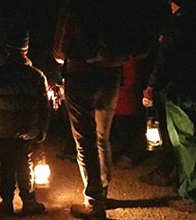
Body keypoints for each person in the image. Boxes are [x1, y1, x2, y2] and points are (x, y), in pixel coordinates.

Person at [52, 0, 159, 219]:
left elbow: (59, 51)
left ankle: (94, 202)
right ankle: (102, 193)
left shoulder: (74, 8)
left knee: (85, 140)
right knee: (102, 137)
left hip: (80, 76)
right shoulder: (116, 7)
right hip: (110, 78)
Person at [0, 27, 50, 216]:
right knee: (25, 163)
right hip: (27, 128)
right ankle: (28, 201)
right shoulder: (37, 75)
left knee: (6, 163)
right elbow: (44, 106)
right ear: (26, 51)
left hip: (3, 128)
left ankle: (6, 202)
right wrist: (42, 128)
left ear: (7, 50)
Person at [142, 0, 196, 213]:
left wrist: (152, 86)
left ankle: (191, 195)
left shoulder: (178, 23)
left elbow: (165, 58)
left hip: (182, 90)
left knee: (185, 142)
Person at [110, 57, 140, 169]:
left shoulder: (128, 59)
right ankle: (121, 155)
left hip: (124, 102)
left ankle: (128, 156)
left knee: (125, 130)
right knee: (119, 129)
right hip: (117, 102)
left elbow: (130, 80)